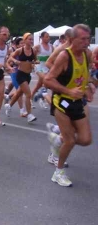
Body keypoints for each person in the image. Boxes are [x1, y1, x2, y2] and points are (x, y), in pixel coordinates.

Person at [44, 24, 94, 187]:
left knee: (86, 139)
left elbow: (84, 75)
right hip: (62, 102)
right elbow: (48, 79)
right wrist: (69, 91)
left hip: (77, 102)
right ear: (72, 39)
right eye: (83, 39)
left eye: (88, 38)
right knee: (70, 140)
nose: (86, 42)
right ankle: (58, 173)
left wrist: (88, 87)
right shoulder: (64, 56)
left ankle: (58, 140)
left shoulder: (87, 54)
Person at [5, 33, 38, 123]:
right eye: (29, 39)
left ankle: (9, 106)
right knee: (28, 94)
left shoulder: (33, 50)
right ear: (25, 40)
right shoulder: (20, 50)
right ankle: (30, 115)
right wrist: (14, 63)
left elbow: (35, 60)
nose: (31, 41)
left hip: (28, 76)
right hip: (20, 74)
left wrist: (35, 64)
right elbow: (9, 59)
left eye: (32, 39)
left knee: (19, 93)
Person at [31, 31, 53, 109]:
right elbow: (31, 55)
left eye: (48, 36)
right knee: (46, 80)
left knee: (39, 85)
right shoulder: (38, 47)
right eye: (46, 36)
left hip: (47, 67)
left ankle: (33, 97)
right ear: (42, 38)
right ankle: (41, 94)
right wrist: (33, 63)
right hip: (39, 67)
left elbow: (53, 57)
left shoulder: (51, 46)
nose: (48, 38)